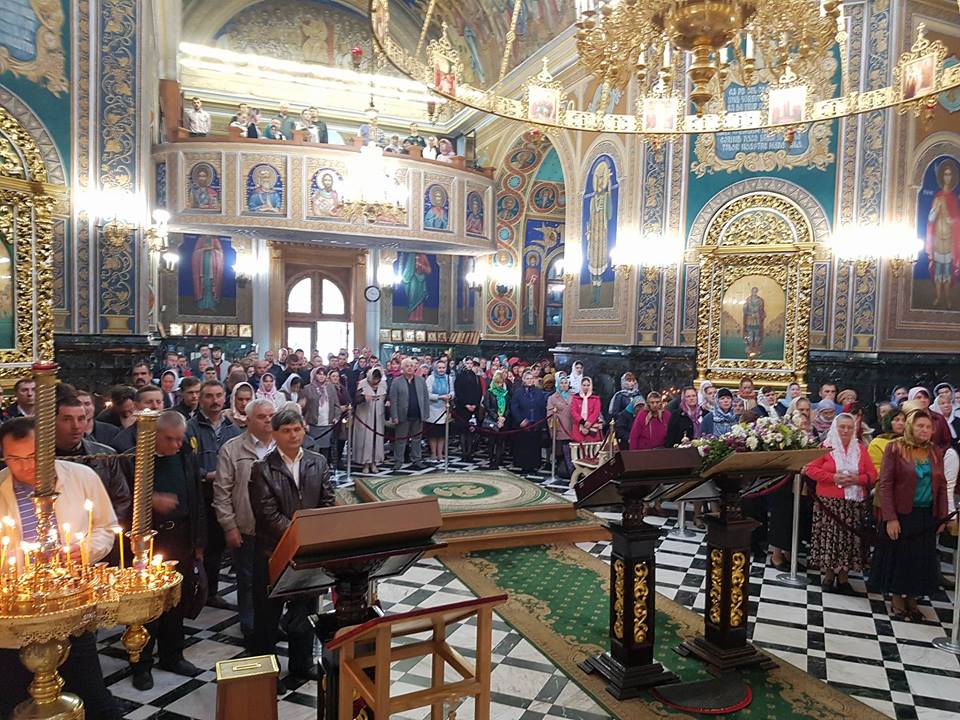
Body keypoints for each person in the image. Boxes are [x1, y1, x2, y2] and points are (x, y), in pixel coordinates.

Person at [0, 417, 121, 719]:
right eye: (14, 458)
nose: (25, 466)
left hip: (70, 604)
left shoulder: (81, 477)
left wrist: (85, 550)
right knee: (15, 699)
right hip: (17, 612)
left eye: (32, 456)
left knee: (91, 694)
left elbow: (106, 527)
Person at [250, 406, 335, 691]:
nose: (293, 435)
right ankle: (267, 673)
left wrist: (311, 536)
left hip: (307, 552)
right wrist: (300, 534)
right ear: (274, 434)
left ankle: (302, 663)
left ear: (304, 430)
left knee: (305, 611)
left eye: (297, 429)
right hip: (272, 552)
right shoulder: (262, 468)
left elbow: (327, 501)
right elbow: (267, 514)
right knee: (268, 616)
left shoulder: (317, 462)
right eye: (285, 431)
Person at [130, 411, 206, 690]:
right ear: (154, 435)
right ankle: (141, 663)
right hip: (149, 541)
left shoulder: (186, 456)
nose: (176, 444)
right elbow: (121, 497)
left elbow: (196, 499)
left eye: (180, 438)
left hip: (181, 536)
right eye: (170, 439)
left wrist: (198, 543)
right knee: (146, 605)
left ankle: (173, 655)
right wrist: (149, 500)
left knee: (176, 600)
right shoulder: (135, 459)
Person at [869, 410, 949, 619]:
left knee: (919, 559)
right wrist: (890, 517)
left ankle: (912, 598)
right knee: (899, 558)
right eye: (920, 426)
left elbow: (941, 485)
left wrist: (942, 515)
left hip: (926, 514)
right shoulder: (895, 447)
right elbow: (886, 484)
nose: (925, 430)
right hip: (901, 513)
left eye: (928, 427)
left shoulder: (935, 451)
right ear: (910, 426)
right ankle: (897, 598)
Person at [215, 398, 276, 649]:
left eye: (271, 415)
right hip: (247, 525)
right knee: (248, 578)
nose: (268, 420)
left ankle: (271, 622)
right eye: (262, 416)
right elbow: (222, 491)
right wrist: (229, 526)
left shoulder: (283, 445)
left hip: (277, 529)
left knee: (275, 578)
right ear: (248, 420)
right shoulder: (232, 449)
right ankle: (249, 623)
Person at [804, 413, 877, 595]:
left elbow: (872, 474)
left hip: (853, 504)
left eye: (849, 427)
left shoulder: (860, 449)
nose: (845, 430)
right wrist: (833, 477)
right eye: (842, 427)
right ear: (835, 428)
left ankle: (844, 578)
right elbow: (811, 469)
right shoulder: (826, 447)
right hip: (829, 503)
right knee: (830, 540)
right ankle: (828, 576)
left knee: (848, 541)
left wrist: (857, 479)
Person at [187, 380, 240, 609]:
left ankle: (212, 592)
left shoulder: (232, 429)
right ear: (200, 399)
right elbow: (187, 462)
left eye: (219, 395)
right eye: (209, 396)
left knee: (217, 546)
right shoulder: (190, 427)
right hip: (201, 493)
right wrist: (206, 474)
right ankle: (196, 591)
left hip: (225, 495)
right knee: (200, 546)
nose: (215, 400)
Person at [55, 392, 132, 530]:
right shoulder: (38, 458)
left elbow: (121, 499)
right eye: (67, 419)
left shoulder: (105, 455)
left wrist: (104, 531)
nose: (76, 426)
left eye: (81, 419)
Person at [387, 358, 429, 471]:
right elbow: (393, 400)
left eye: (411, 366)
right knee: (400, 440)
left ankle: (417, 459)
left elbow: (425, 398)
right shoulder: (397, 381)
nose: (410, 368)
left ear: (415, 367)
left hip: (418, 415)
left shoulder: (421, 380)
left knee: (417, 439)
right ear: (403, 368)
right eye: (407, 366)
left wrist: (425, 414)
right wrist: (394, 416)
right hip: (402, 416)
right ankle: (398, 461)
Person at [300, 367, 341, 462]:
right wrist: (305, 422)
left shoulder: (331, 387)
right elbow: (304, 408)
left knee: (325, 449)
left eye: (324, 374)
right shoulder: (308, 388)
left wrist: (336, 417)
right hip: (313, 424)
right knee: (313, 448)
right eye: (319, 374)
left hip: (327, 423)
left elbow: (336, 405)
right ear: (315, 375)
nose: (321, 376)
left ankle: (324, 467)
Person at [511, 369, 547, 473]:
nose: (530, 380)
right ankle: (524, 466)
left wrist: (540, 422)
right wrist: (520, 420)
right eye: (527, 378)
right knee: (524, 446)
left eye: (531, 378)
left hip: (536, 424)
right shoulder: (518, 392)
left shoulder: (539, 392)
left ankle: (534, 465)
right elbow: (514, 408)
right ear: (523, 380)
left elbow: (542, 408)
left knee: (534, 446)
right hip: (523, 424)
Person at [353, 367, 387, 474]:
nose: (376, 381)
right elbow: (355, 400)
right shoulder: (362, 384)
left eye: (378, 379)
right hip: (364, 417)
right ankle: (365, 463)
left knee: (377, 440)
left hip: (378, 416)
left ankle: (374, 462)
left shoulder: (383, 384)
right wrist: (363, 398)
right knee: (366, 440)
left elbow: (386, 397)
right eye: (374, 378)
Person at [112, 385, 165, 452]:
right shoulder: (122, 441)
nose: (155, 406)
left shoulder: (173, 433)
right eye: (149, 402)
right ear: (136, 406)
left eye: (158, 402)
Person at [454, 357, 483, 462]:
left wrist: (474, 405)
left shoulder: (475, 377)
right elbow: (458, 392)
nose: (469, 365)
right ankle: (464, 453)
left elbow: (478, 392)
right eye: (467, 363)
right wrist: (466, 404)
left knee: (471, 431)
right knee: (463, 431)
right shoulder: (460, 376)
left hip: (473, 408)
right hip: (462, 408)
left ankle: (469, 452)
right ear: (464, 364)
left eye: (471, 363)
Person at [425, 360, 455, 463]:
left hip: (444, 409)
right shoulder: (430, 378)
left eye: (443, 368)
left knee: (442, 434)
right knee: (433, 434)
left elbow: (452, 391)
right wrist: (439, 397)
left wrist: (450, 396)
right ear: (435, 368)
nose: (441, 370)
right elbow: (427, 394)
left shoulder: (449, 378)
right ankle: (433, 454)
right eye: (439, 368)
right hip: (432, 410)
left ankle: (440, 454)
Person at [482, 370, 511, 470]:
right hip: (492, 421)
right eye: (497, 382)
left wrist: (503, 418)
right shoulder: (489, 393)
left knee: (500, 442)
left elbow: (508, 407)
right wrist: (497, 417)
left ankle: (497, 462)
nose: (499, 385)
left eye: (501, 383)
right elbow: (487, 407)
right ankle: (491, 461)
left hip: (503, 421)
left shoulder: (505, 393)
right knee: (491, 443)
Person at [547, 373, 574, 478]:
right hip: (560, 428)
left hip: (571, 429)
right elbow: (549, 414)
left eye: (565, 383)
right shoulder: (552, 398)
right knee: (560, 452)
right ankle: (561, 471)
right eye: (561, 383)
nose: (564, 385)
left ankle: (571, 472)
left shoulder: (573, 396)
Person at [608, 372, 643, 448]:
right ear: (624, 382)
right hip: (624, 425)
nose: (632, 383)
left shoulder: (638, 394)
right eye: (629, 381)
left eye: (633, 381)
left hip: (638, 423)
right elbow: (614, 412)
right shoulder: (619, 396)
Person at [569, 376, 603, 444]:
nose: (586, 387)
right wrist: (582, 422)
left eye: (588, 385)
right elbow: (573, 411)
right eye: (584, 385)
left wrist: (589, 422)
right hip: (578, 426)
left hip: (592, 426)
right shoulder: (575, 397)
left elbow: (596, 411)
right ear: (581, 386)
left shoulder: (595, 398)